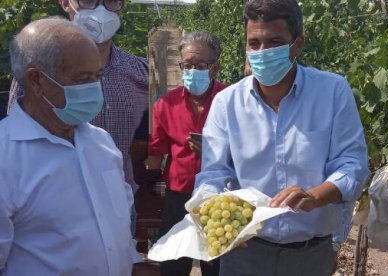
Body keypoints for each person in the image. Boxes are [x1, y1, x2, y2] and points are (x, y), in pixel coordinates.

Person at [194, 1, 371, 275]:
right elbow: (214, 173)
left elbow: (353, 163)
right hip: (245, 254)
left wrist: (316, 196)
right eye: (254, 43)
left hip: (310, 255)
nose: (262, 52)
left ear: (297, 44)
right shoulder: (226, 104)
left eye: (274, 42)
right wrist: (209, 208)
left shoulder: (332, 92)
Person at [0, 18, 139, 275]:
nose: (95, 88)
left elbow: (116, 225)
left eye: (97, 76)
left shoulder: (101, 142)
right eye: (83, 78)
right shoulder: (6, 158)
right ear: (36, 81)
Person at [7, 0, 148, 194]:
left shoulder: (141, 73)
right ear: (65, 3)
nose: (101, 9)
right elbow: (16, 144)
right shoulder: (39, 74)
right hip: (52, 202)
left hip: (119, 197)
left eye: (112, 1)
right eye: (89, 0)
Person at [147, 31, 227, 276]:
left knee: (216, 264)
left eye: (200, 65)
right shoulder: (166, 104)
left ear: (215, 68)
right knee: (174, 262)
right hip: (178, 196)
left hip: (220, 198)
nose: (192, 71)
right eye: (187, 65)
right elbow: (156, 152)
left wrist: (216, 151)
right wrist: (151, 191)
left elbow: (249, 150)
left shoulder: (230, 100)